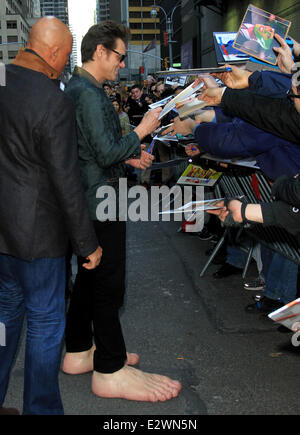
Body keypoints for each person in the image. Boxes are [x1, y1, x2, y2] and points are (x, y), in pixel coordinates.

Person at [61, 21, 182, 402]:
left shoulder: (79, 88)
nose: (120, 64)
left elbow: (91, 153)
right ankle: (110, 367)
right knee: (107, 283)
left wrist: (128, 158)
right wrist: (142, 130)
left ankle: (80, 350)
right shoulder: (89, 93)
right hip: (101, 202)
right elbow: (104, 151)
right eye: (118, 56)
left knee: (89, 277)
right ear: (100, 52)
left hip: (91, 197)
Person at [0, 17, 102, 416]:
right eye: (67, 53)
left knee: (5, 318)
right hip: (39, 238)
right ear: (56, 54)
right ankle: (41, 410)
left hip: (2, 233)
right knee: (45, 324)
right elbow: (66, 180)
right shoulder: (54, 101)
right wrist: (87, 244)